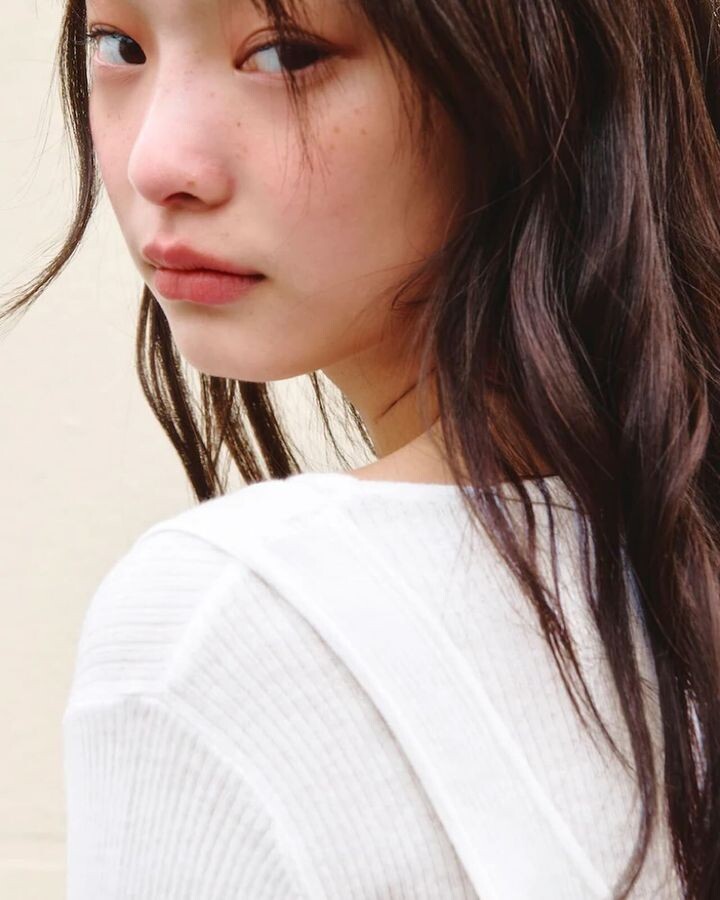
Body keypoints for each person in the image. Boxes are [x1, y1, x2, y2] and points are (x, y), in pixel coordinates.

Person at [4, 0, 719, 896]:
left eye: (286, 55)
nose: (157, 162)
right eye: (117, 46)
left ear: (535, 69)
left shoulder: (227, 623)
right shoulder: (668, 558)